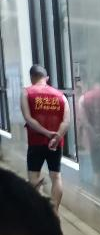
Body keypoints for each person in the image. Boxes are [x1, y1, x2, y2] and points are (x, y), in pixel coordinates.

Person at [20, 65, 70, 212]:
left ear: (32, 77)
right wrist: (57, 136)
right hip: (56, 144)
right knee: (56, 177)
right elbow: (66, 121)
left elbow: (28, 119)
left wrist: (47, 133)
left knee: (34, 178)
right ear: (46, 78)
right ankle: (54, 212)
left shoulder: (26, 92)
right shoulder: (61, 96)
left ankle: (40, 212)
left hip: (36, 142)